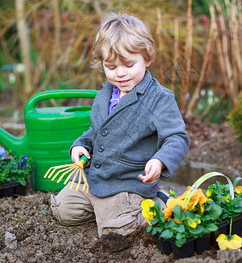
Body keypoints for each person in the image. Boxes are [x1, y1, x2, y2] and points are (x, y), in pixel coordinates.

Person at [50, 13, 190, 237]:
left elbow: (177, 138)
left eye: (128, 64)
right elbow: (96, 131)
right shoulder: (105, 94)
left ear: (147, 58)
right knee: (63, 211)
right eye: (111, 67)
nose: (121, 73)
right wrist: (80, 145)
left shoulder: (159, 98)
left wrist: (160, 160)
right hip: (94, 177)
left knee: (116, 233)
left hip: (127, 182)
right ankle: (105, 209)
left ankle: (156, 205)